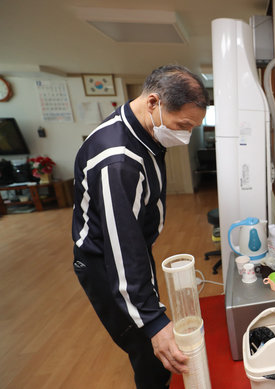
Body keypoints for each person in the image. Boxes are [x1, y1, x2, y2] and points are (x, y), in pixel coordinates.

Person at [72, 64, 208, 388]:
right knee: (152, 352)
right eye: (184, 125)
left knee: (154, 337)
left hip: (128, 249)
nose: (186, 136)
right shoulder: (118, 160)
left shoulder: (141, 130)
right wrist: (153, 322)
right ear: (153, 103)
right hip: (103, 262)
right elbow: (122, 250)